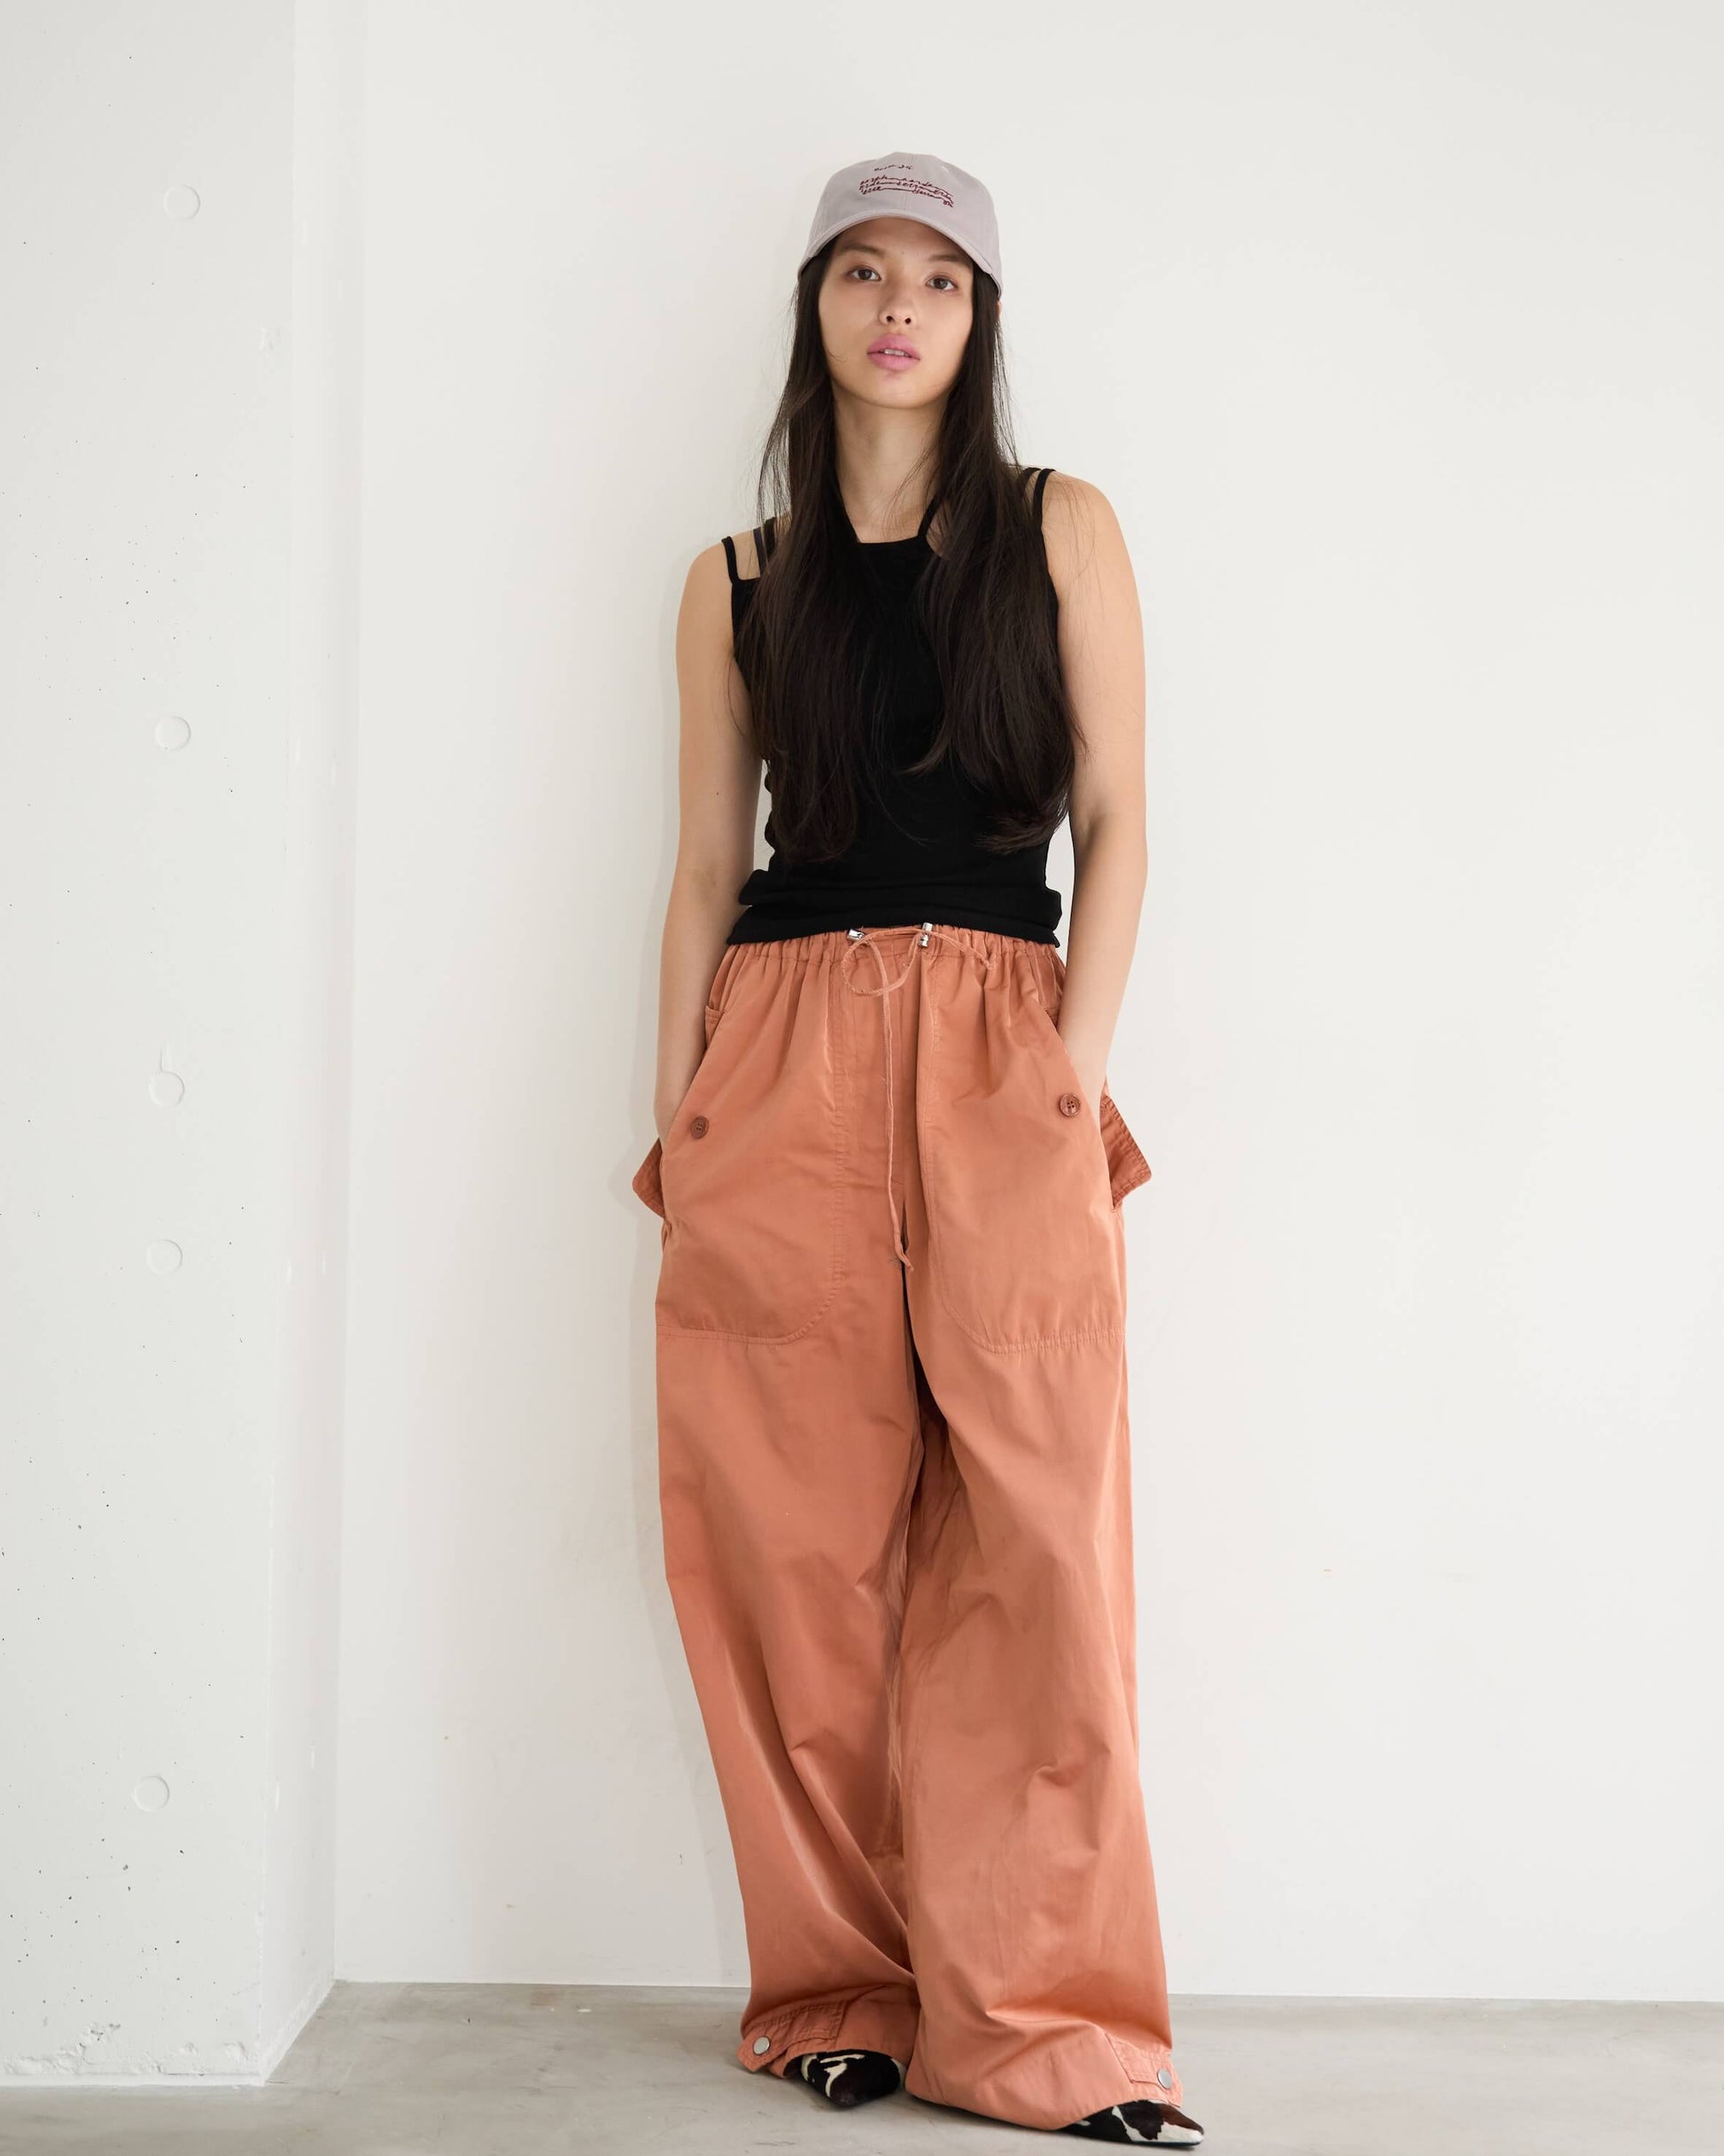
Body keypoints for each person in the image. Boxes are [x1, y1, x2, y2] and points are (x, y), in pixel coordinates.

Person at [632, 152, 1204, 2147]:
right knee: (788, 1557)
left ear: (981, 319)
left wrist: (1066, 1064)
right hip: (778, 1052)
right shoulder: (737, 576)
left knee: (1039, 1547)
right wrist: (679, 1116)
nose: (899, 307)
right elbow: (703, 864)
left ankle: (1055, 2030)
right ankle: (831, 1994)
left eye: (940, 279)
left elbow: (1118, 820)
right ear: (815, 306)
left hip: (998, 1040)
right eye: (862, 271)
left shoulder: (1060, 528)